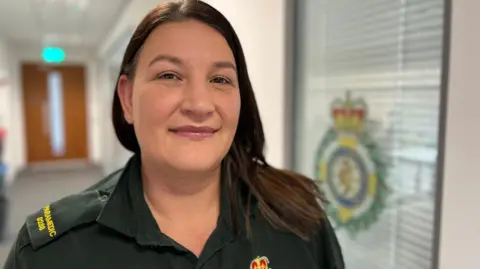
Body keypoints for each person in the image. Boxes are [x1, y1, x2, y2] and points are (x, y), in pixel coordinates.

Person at [4, 1, 344, 268]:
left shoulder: (298, 219)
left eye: (221, 79)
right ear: (127, 99)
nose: (199, 104)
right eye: (169, 75)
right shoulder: (51, 252)